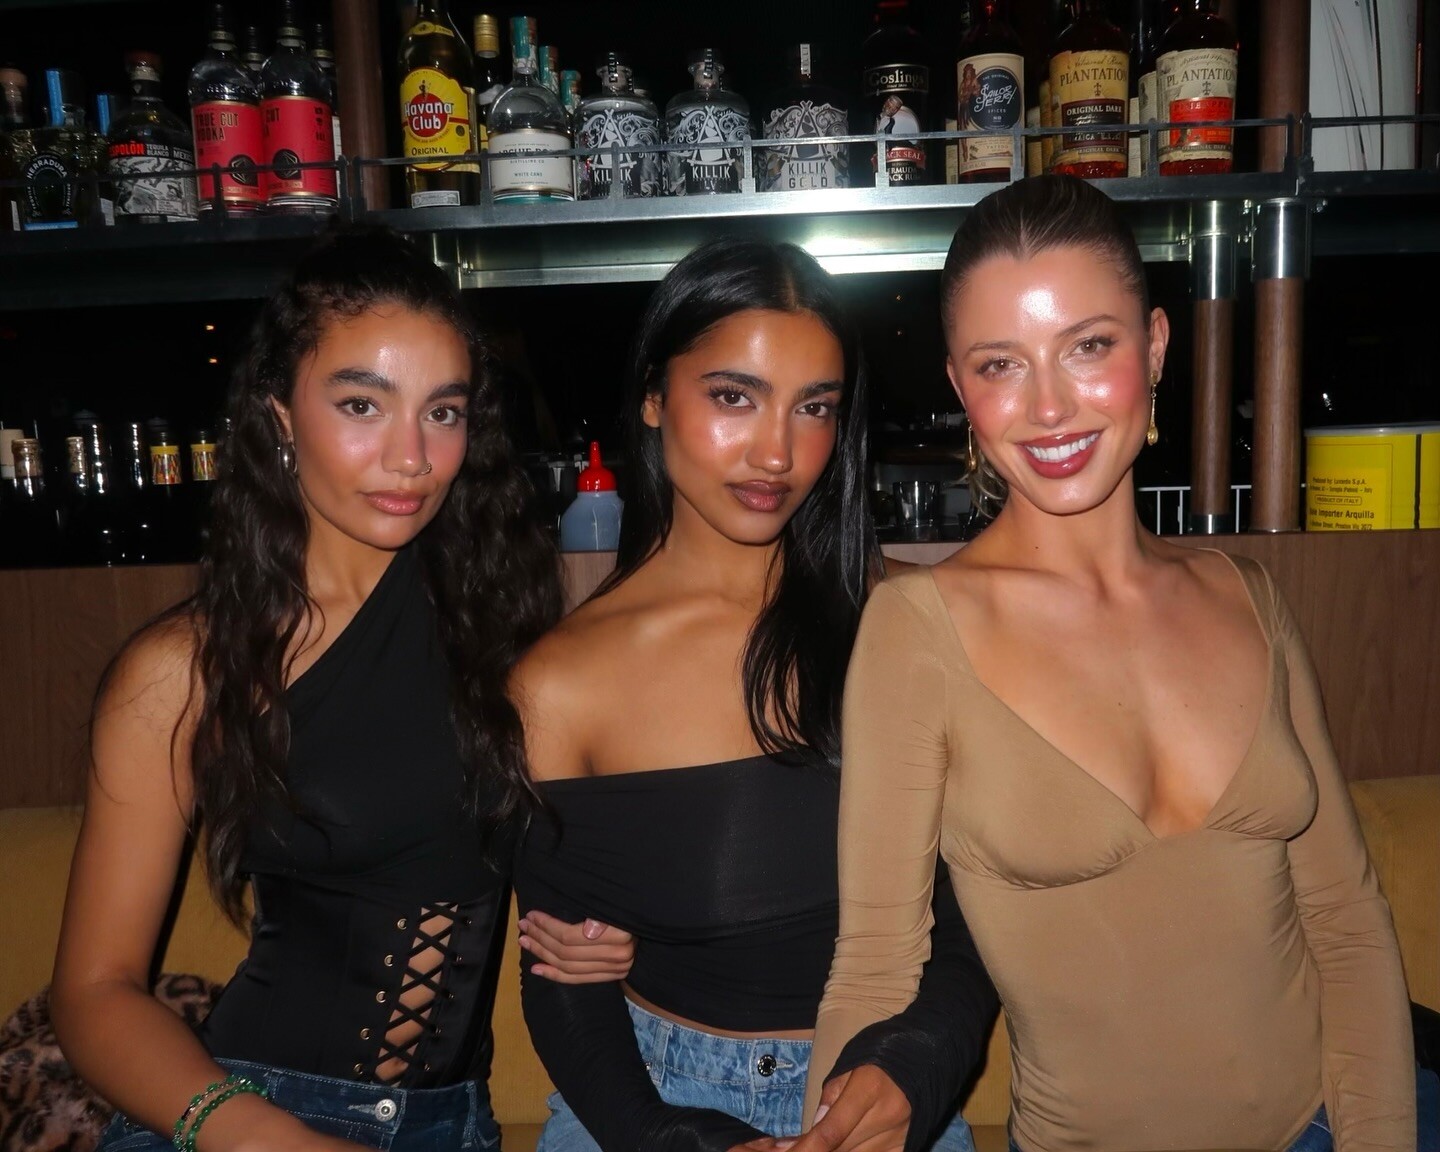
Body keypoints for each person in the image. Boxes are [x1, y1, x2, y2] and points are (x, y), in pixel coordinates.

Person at [806, 173, 1424, 1152]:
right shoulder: (917, 629)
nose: (1050, 407)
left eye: (1088, 347)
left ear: (1156, 347)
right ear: (962, 388)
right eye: (1002, 366)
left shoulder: (1248, 596)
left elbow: (1346, 922)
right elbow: (877, 967)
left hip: (1316, 1125)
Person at [50, 224, 630, 1152]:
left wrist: (614, 930)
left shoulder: (508, 629)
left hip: (453, 1125)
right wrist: (260, 1137)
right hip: (250, 1113)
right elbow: (92, 992)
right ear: (279, 416)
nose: (412, 456)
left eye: (443, 412)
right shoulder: (186, 668)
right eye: (363, 405)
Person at [508, 237, 998, 1152]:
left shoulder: (908, 624)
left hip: (887, 1082)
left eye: (814, 408)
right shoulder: (558, 683)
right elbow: (563, 975)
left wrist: (920, 1062)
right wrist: (659, 1134)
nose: (776, 453)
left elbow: (977, 904)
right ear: (653, 396)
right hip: (651, 1098)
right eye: (734, 397)